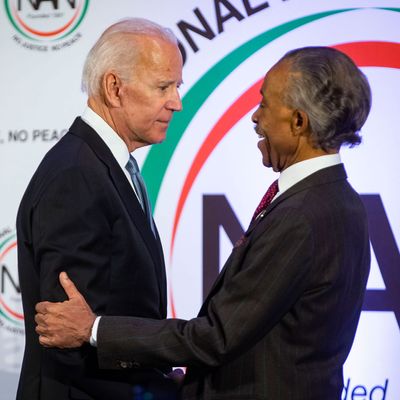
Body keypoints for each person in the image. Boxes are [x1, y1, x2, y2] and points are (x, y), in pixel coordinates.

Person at [35, 46, 372, 399]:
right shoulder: (340, 200)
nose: (255, 118)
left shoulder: (301, 217)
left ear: (299, 122)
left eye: (265, 104)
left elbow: (217, 336)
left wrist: (93, 329)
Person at [16, 18, 183, 400]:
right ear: (114, 88)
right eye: (163, 87)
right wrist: (155, 387)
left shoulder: (105, 165)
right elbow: (66, 337)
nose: (177, 102)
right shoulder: (77, 174)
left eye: (177, 86)